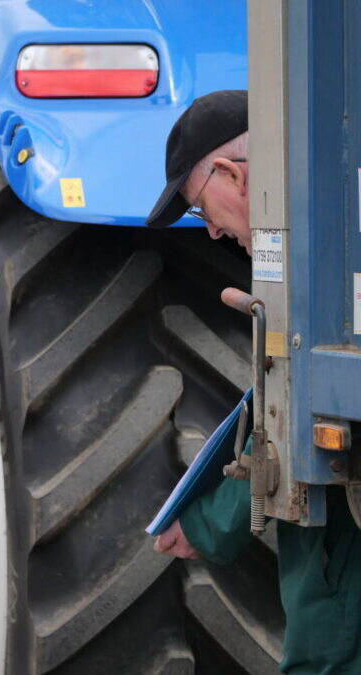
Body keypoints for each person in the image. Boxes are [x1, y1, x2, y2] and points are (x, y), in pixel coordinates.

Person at [147, 89, 361, 673]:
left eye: (198, 207)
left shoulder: (307, 266)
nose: (210, 232)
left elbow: (294, 414)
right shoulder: (338, 224)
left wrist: (208, 523)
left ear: (230, 173)